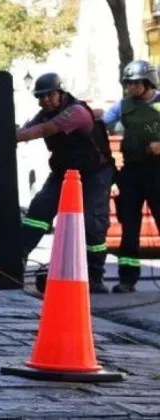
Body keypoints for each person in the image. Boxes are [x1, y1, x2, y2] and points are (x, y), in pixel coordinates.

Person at [17, 72, 115, 294]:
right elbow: (29, 128)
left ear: (60, 93)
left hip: (94, 174)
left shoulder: (76, 112)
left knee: (92, 223)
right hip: (64, 173)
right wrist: (12, 134)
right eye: (40, 97)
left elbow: (43, 130)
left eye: (49, 96)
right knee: (39, 210)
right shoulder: (44, 113)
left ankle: (95, 275)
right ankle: (18, 258)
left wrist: (9, 137)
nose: (44, 101)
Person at [97, 60, 160, 293]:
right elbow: (104, 123)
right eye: (128, 83)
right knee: (130, 226)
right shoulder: (123, 106)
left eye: (135, 83)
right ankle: (127, 279)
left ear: (148, 82)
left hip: (157, 171)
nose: (130, 88)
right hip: (132, 172)